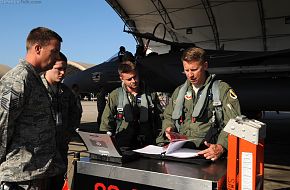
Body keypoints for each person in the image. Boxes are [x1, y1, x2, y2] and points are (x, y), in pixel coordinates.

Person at [0, 27, 63, 190]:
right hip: (20, 177)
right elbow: (2, 126)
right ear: (37, 48)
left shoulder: (35, 79)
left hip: (37, 173)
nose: (56, 57)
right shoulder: (18, 79)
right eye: (54, 51)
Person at [156, 47, 241, 161]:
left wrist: (221, 146)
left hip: (208, 151)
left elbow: (234, 121)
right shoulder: (179, 92)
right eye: (186, 70)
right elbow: (168, 115)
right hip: (181, 150)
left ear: (205, 66)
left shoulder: (221, 90)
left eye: (194, 69)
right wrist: (168, 128)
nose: (190, 75)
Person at [41, 52, 81, 190]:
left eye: (64, 69)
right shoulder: (36, 89)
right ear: (48, 67)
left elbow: (75, 114)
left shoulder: (67, 92)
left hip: (60, 151)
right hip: (38, 155)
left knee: (57, 184)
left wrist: (67, 134)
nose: (63, 73)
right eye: (59, 69)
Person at [100, 60, 162, 149]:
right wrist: (105, 142)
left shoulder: (150, 94)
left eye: (135, 77)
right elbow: (106, 120)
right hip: (124, 143)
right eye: (129, 79)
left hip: (147, 143)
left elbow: (159, 118)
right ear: (121, 78)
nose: (133, 81)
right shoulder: (116, 95)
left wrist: (160, 141)